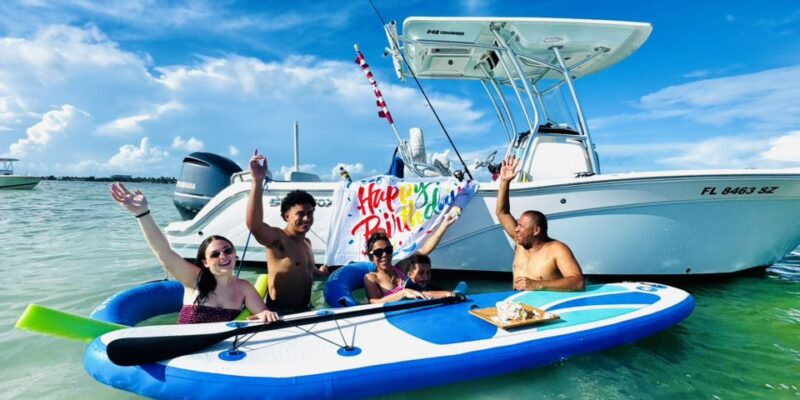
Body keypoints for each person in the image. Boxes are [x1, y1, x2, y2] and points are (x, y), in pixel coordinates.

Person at [109, 182, 279, 324]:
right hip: (184, 347)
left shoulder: (243, 287)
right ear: (205, 262)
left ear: (235, 255)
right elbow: (164, 253)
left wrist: (265, 315)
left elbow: (264, 313)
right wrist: (142, 213)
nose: (223, 256)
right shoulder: (194, 279)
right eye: (215, 254)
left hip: (219, 349)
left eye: (228, 250)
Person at [246, 150, 329, 315]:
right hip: (280, 313)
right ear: (287, 216)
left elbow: (307, 270)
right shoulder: (278, 240)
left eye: (310, 213)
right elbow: (254, 225)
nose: (307, 218)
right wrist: (257, 181)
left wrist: (320, 273)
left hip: (305, 310)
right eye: (300, 214)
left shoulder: (307, 243)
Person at [495, 157, 585, 291]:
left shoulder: (557, 249)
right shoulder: (520, 244)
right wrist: (504, 181)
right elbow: (502, 213)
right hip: (518, 305)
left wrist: (537, 284)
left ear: (536, 230)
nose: (516, 229)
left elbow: (578, 282)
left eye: (521, 226)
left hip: (545, 307)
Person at [363, 210, 460, 303]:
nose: (385, 255)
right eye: (378, 252)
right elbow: (374, 302)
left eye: (388, 250)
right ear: (371, 256)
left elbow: (424, 250)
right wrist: (403, 293)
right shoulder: (371, 278)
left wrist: (444, 225)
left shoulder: (401, 267)